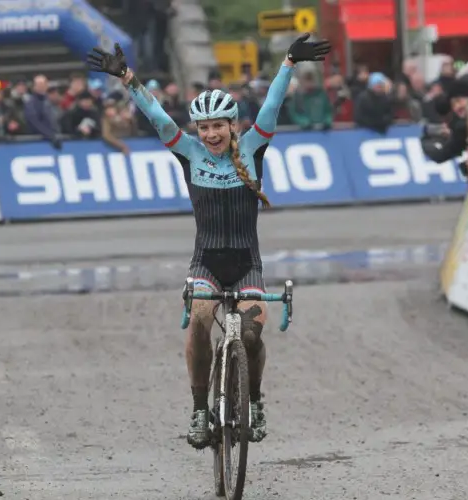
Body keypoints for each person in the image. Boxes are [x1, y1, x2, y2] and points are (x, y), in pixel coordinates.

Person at [87, 34, 330, 450]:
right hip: (206, 262)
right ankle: (200, 409)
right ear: (197, 129)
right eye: (204, 127)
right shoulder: (190, 153)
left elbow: (271, 106)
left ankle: (255, 401)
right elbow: (159, 117)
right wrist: (128, 78)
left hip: (247, 262)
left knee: (251, 336)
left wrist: (288, 62)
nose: (212, 133)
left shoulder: (253, 148)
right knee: (200, 319)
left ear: (233, 126)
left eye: (219, 125)